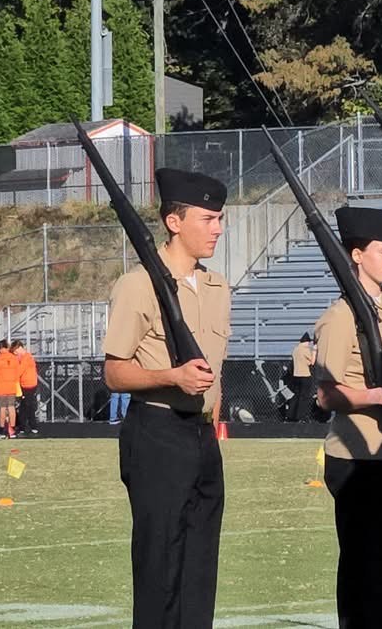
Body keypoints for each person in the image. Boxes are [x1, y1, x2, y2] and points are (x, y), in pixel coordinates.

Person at [102, 168, 231, 628]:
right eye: (208, 218)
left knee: (200, 567)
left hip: (201, 438)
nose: (218, 227)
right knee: (160, 567)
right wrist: (171, 376)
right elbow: (114, 373)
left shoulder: (217, 287)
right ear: (174, 222)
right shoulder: (137, 285)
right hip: (156, 432)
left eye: (220, 218)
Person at [313, 205, 382, 629]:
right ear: (357, 255)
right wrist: (378, 397)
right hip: (356, 458)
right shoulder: (339, 317)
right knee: (363, 572)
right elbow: (326, 394)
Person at [0, 341, 20, 439]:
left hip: (1, 386)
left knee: (1, 408)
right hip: (11, 386)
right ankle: (12, 430)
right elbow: (17, 373)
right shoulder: (14, 359)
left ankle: (2, 431)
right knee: (11, 407)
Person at [11, 340, 39, 435]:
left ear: (19, 348)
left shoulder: (26, 358)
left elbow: (19, 371)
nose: (15, 354)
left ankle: (25, 426)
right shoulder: (24, 358)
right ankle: (31, 426)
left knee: (26, 407)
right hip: (26, 384)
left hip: (29, 385)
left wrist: (9, 377)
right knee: (27, 405)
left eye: (15, 352)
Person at [287, 333, 315, 421]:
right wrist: (314, 351)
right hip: (305, 375)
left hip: (296, 375)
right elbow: (312, 362)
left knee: (296, 395)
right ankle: (301, 416)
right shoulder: (305, 350)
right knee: (304, 397)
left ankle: (291, 415)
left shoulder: (295, 349)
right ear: (306, 342)